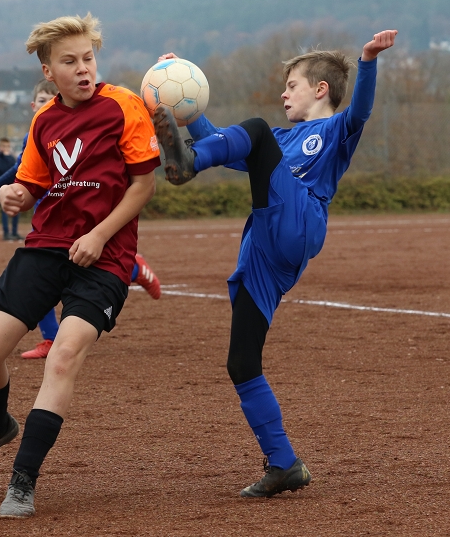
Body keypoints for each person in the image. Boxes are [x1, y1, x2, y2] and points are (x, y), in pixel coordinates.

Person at [154, 30, 398, 498]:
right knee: (241, 362)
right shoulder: (279, 140)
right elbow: (225, 145)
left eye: (292, 85)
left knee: (256, 131)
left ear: (320, 89)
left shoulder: (335, 129)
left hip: (299, 218)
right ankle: (284, 463)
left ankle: (186, 164)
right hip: (265, 250)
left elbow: (362, 109)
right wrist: (182, 102)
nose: (284, 93)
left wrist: (366, 60)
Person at [0, 13, 160, 519]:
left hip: (105, 258)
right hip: (46, 247)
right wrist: (14, 194)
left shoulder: (124, 106)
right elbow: (33, 183)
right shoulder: (43, 121)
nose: (83, 69)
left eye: (88, 58)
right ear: (49, 72)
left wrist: (99, 235)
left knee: (62, 355)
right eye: (70, 62)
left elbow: (143, 185)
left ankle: (23, 480)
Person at [0, 79, 162, 360]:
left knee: (85, 261)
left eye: (48, 99)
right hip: (49, 219)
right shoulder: (39, 129)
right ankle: (51, 338)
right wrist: (0, 189)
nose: (44, 104)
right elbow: (20, 175)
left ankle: (134, 269)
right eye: (40, 100)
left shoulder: (102, 115)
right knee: (41, 277)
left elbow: (143, 183)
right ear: (32, 105)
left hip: (90, 223)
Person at [0, 138, 19, 240]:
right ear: (0, 148)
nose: (6, 149)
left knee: (16, 209)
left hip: (13, 186)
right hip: (3, 187)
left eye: (7, 146)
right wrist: (4, 156)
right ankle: (6, 232)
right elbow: (2, 170)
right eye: (3, 146)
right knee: (5, 209)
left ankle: (15, 232)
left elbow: (15, 169)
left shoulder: (12, 158)